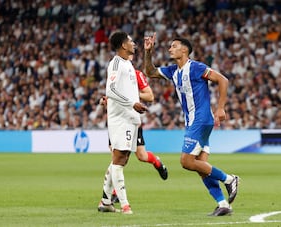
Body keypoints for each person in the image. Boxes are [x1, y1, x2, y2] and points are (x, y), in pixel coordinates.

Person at [143, 34, 239, 216]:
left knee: (186, 161)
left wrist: (220, 108)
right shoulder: (173, 71)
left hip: (201, 119)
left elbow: (223, 80)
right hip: (193, 122)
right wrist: (148, 52)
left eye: (174, 46)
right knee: (201, 166)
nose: (170, 49)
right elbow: (150, 72)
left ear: (184, 50)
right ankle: (223, 204)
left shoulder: (196, 68)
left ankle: (230, 179)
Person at [98, 66, 168, 206]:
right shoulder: (114, 76)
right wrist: (104, 101)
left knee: (141, 156)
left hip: (131, 121)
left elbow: (150, 96)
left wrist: (133, 95)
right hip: (116, 123)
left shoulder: (136, 75)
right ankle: (114, 194)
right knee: (116, 157)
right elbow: (109, 97)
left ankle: (157, 162)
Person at [97, 31, 148, 215]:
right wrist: (131, 103)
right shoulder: (116, 63)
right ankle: (125, 205)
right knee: (119, 159)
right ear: (123, 45)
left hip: (130, 117)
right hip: (120, 117)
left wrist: (134, 107)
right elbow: (110, 90)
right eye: (130, 41)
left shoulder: (128, 63)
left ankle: (105, 201)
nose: (134, 43)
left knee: (123, 159)